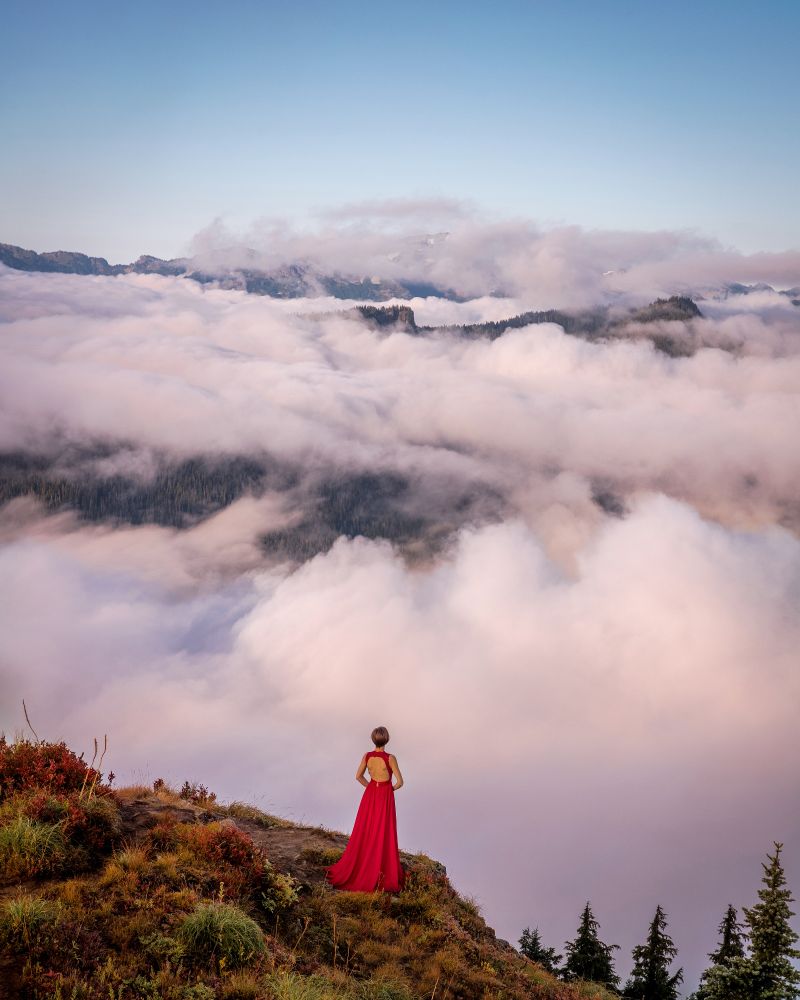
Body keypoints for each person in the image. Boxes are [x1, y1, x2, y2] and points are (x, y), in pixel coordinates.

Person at [325, 726, 405, 893]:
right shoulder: (390, 758)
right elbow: (399, 782)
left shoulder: (367, 756)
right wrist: (388, 791)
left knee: (366, 828)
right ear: (387, 739)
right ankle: (380, 865)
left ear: (373, 739)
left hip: (370, 794)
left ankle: (362, 861)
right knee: (382, 829)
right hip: (384, 796)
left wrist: (371, 788)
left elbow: (358, 776)